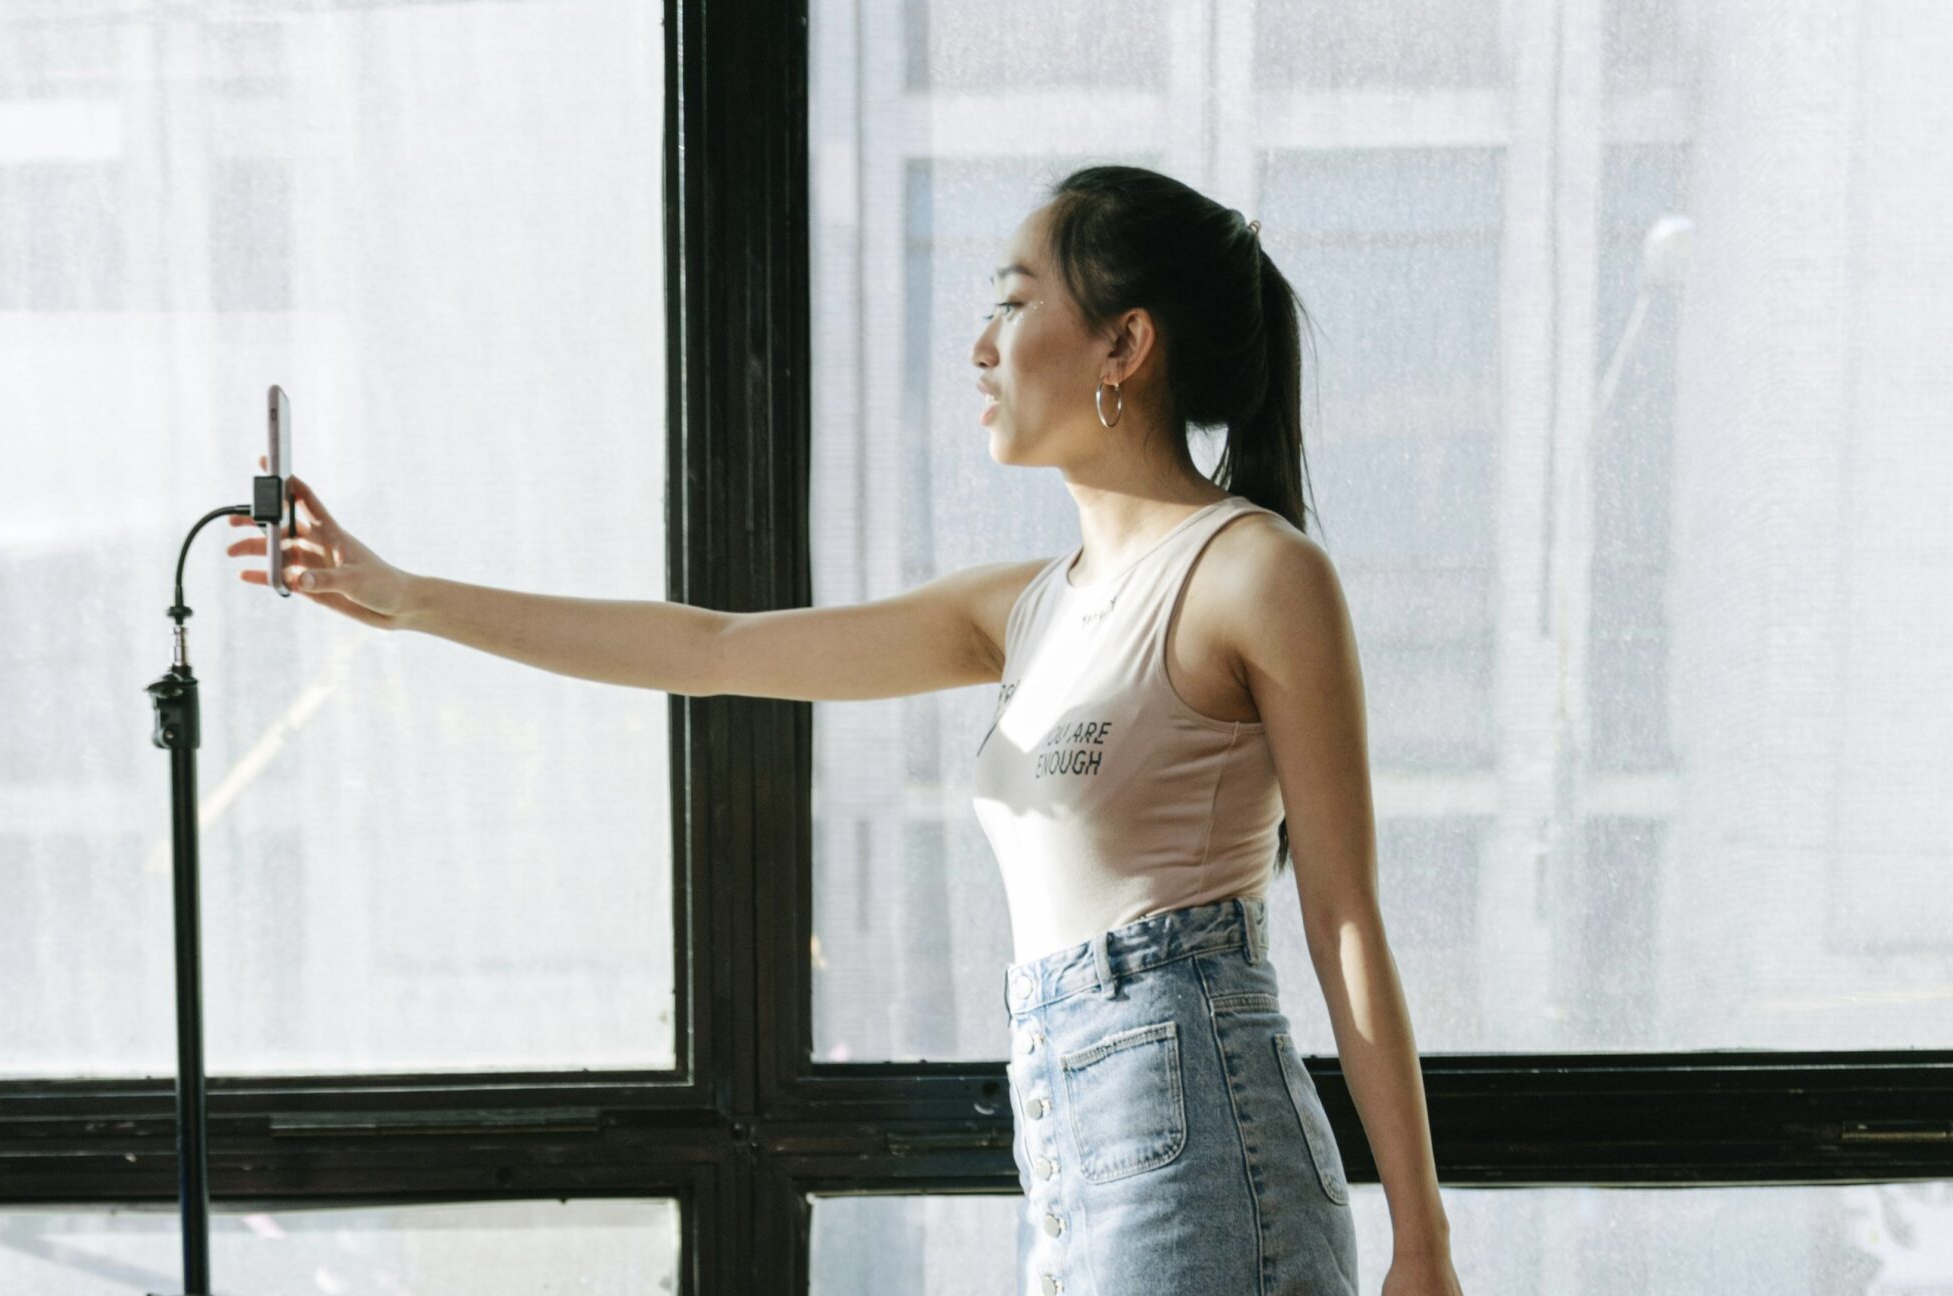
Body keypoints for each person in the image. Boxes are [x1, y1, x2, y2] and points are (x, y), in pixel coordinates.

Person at [228, 163, 1463, 1296]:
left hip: (1196, 1127)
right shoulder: (1023, 608)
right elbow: (708, 650)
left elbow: (1342, 913)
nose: (980, 345)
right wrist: (407, 599)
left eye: (1015, 302)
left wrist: (1422, 1241)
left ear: (1123, 344)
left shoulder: (1255, 573)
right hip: (1073, 1142)